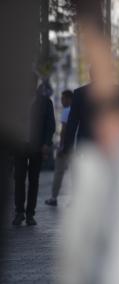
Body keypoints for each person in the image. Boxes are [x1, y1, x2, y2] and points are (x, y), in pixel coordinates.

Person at [12, 81, 56, 226]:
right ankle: (19, 212)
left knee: (34, 180)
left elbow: (51, 125)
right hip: (20, 145)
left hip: (37, 147)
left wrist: (46, 143)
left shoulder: (45, 102)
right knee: (19, 179)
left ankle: (30, 214)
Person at [63, 69, 119, 155]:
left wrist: (67, 150)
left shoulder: (79, 93)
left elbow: (71, 125)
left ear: (91, 75)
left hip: (87, 148)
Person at [45, 90, 73, 206]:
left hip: (65, 147)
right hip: (74, 146)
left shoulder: (66, 111)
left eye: (63, 98)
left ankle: (53, 197)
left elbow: (64, 130)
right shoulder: (76, 110)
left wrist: (61, 147)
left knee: (58, 172)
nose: (61, 101)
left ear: (68, 99)